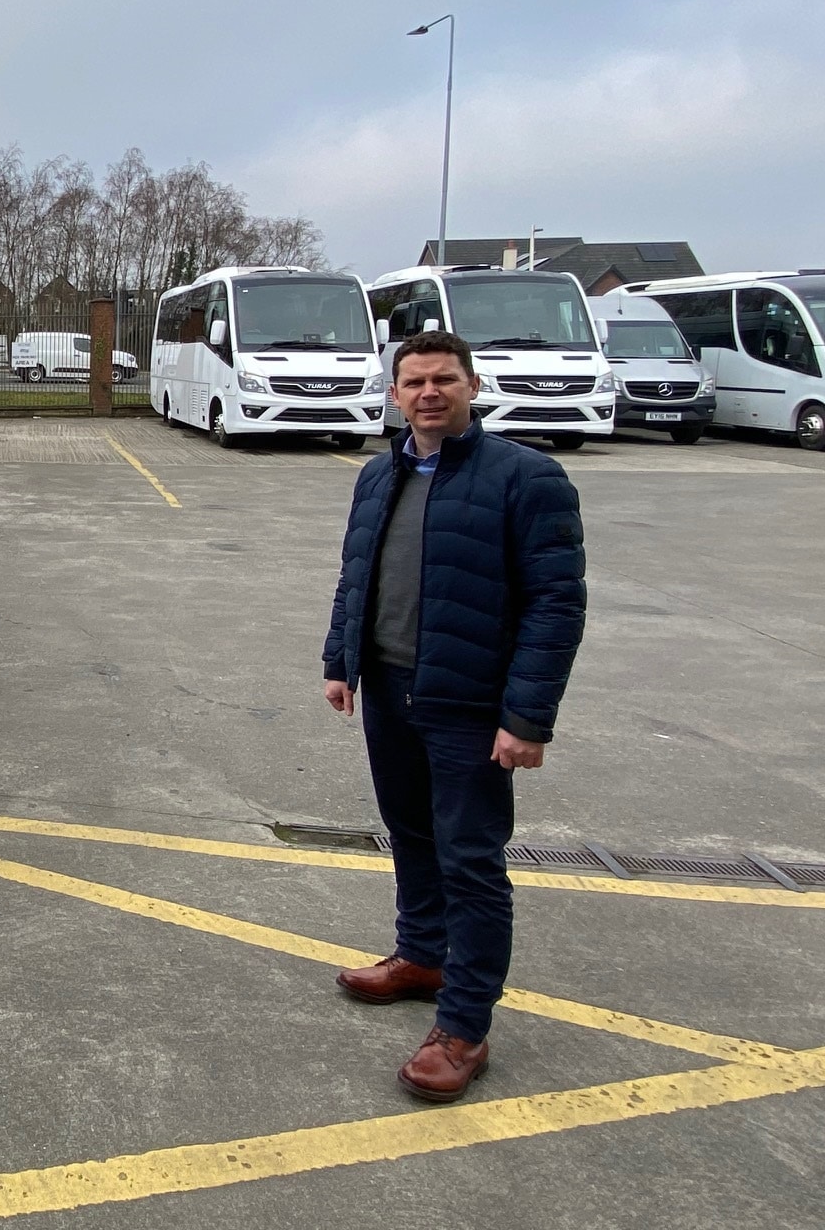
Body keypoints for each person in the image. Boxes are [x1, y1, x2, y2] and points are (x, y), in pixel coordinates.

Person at [321, 329, 586, 1102]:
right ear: (395, 394)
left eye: (444, 379)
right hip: (392, 689)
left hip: (470, 706)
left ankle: (465, 1026)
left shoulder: (527, 478)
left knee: (471, 860)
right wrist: (341, 662)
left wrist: (527, 718)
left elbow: (555, 605)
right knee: (410, 833)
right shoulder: (379, 475)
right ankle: (421, 957)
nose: (428, 393)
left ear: (472, 386)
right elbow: (356, 576)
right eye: (413, 382)